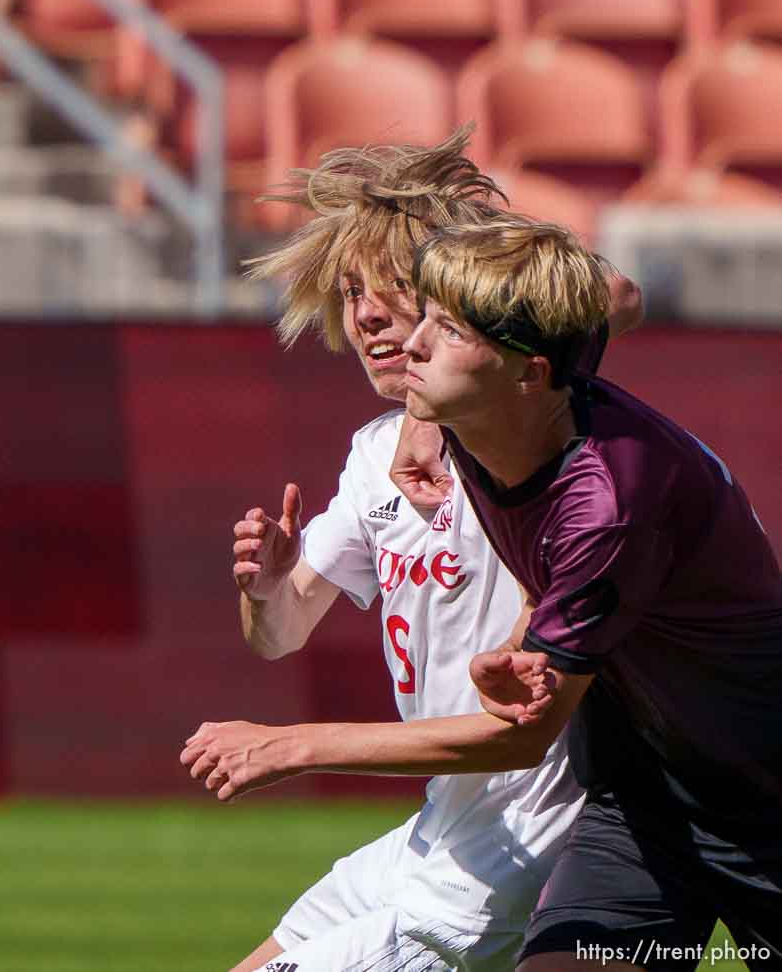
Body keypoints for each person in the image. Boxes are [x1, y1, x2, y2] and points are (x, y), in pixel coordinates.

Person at [180, 129, 643, 972]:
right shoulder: (372, 457)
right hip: (439, 831)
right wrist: (266, 587)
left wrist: (436, 410)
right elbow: (278, 635)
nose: (363, 315)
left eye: (393, 286)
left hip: (518, 849)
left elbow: (612, 291)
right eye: (349, 290)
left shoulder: (527, 433)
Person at [388, 218, 782, 971]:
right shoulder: (489, 405)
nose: (411, 344)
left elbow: (522, 736)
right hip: (646, 808)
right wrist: (419, 416)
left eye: (445, 329)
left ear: (528, 373)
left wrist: (291, 746)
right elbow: (609, 295)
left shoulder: (607, 503)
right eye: (425, 319)